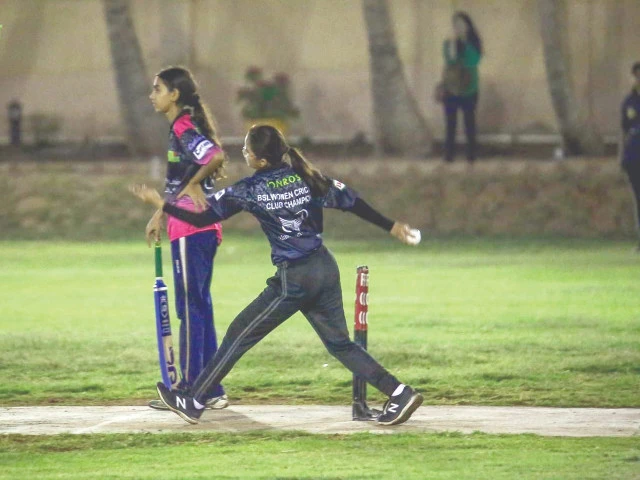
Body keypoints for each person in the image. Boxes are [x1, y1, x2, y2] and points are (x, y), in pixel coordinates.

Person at [130, 125, 424, 426]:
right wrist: (391, 226)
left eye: (246, 150)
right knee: (340, 345)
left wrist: (161, 204)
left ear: (260, 160)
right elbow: (351, 201)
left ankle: (193, 401)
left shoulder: (249, 189)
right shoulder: (307, 176)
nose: (244, 154)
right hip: (324, 268)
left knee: (239, 333)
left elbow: (202, 217)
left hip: (294, 279)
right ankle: (399, 393)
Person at [145, 66, 229, 410]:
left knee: (191, 309)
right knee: (200, 307)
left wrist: (193, 184)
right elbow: (180, 179)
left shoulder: (182, 126)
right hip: (201, 228)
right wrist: (160, 213)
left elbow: (214, 156)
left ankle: (191, 390)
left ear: (174, 94)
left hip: (191, 231)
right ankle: (212, 388)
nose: (152, 95)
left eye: (157, 89)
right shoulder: (182, 126)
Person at [441, 12, 483, 163]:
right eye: (456, 24)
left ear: (468, 25)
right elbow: (450, 60)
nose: (458, 27)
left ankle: (471, 155)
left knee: (469, 123)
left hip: (469, 89)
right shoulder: (448, 43)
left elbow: (473, 61)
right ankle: (449, 156)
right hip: (451, 89)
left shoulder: (474, 42)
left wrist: (465, 43)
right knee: (450, 124)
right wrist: (454, 43)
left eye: (461, 24)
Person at [621, 62, 640, 249]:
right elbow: (625, 130)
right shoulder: (629, 102)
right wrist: (622, 157)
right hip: (634, 156)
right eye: (637, 76)